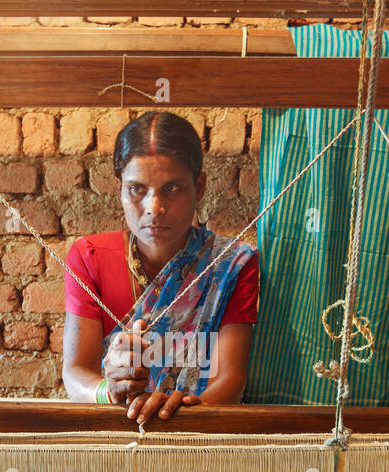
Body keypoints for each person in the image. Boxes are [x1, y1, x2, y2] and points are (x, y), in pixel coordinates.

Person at [62, 111, 258, 425]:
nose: (155, 208)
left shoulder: (231, 264)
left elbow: (231, 382)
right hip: (112, 436)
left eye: (172, 189)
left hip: (200, 440)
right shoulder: (90, 258)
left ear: (200, 186)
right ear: (119, 189)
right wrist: (109, 392)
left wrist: (179, 413)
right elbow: (75, 374)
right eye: (137, 189)